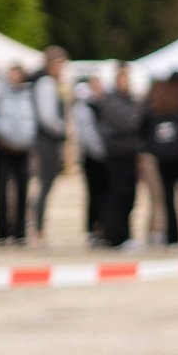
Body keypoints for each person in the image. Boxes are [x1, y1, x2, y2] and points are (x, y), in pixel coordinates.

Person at [144, 73, 178, 246]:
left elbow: (144, 128)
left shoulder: (158, 104)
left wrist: (154, 149)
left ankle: (172, 236)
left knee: (168, 198)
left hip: (164, 157)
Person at [95, 65, 145, 248]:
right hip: (117, 153)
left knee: (128, 196)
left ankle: (124, 234)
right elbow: (131, 121)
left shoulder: (129, 99)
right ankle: (115, 236)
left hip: (129, 152)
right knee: (118, 195)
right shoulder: (112, 101)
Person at [0, 63, 37, 245]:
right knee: (1, 191)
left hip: (23, 149)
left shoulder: (29, 96)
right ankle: (1, 232)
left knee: (22, 191)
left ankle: (20, 231)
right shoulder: (1, 95)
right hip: (3, 148)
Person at [28, 48, 69, 242]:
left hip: (48, 139)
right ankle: (37, 226)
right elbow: (48, 117)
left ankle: (37, 224)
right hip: (47, 140)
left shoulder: (50, 83)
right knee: (45, 183)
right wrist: (64, 130)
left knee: (45, 184)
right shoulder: (46, 83)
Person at [72, 76, 110, 245]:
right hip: (93, 155)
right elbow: (86, 132)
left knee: (106, 194)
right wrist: (99, 150)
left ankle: (105, 226)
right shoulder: (84, 106)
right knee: (94, 193)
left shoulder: (106, 104)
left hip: (107, 154)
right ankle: (94, 228)